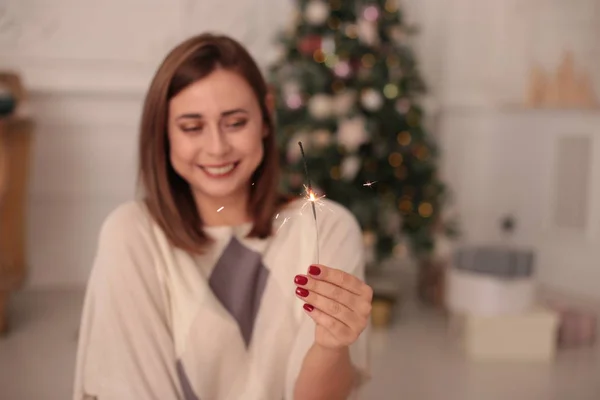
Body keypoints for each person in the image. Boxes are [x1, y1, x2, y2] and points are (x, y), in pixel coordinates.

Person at [73, 33, 373, 400]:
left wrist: (331, 347)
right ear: (163, 133)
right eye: (192, 127)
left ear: (265, 117)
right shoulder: (132, 234)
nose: (217, 147)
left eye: (235, 122)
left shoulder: (325, 227)